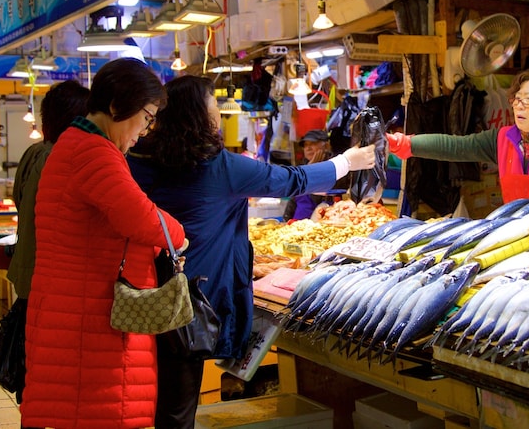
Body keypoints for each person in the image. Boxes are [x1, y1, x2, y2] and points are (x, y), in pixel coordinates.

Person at [127, 75, 375, 429]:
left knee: (146, 400)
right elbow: (290, 179)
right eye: (213, 104)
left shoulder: (138, 161)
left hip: (139, 294)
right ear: (198, 114)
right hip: (189, 303)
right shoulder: (218, 167)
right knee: (177, 410)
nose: (218, 112)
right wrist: (346, 162)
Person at [21, 58, 188, 429]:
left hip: (73, 305)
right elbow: (140, 216)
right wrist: (178, 235)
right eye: (146, 117)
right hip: (87, 316)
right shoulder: (93, 152)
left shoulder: (78, 143)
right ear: (116, 106)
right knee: (95, 412)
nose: (146, 130)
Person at [388, 68, 529, 202]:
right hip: (519, 243)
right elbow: (457, 146)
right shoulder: (503, 139)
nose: (519, 106)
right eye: (517, 99)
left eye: (528, 101)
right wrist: (407, 143)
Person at [5, 80, 89, 404]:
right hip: (51, 280)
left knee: (33, 367)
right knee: (49, 372)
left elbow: (18, 200)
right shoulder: (65, 158)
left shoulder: (33, 153)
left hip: (28, 272)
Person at [282, 129, 340, 221]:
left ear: (326, 145)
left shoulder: (335, 168)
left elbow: (320, 200)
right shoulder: (301, 169)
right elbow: (293, 201)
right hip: (295, 225)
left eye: (313, 143)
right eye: (305, 145)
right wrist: (286, 220)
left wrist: (312, 172)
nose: (308, 148)